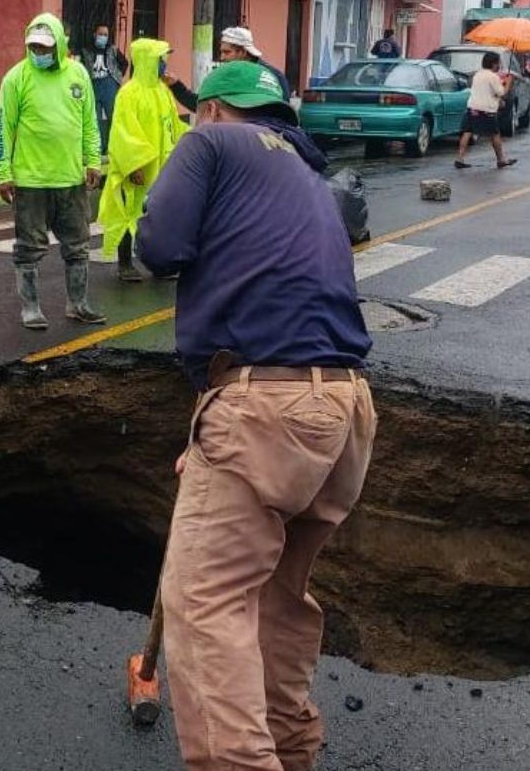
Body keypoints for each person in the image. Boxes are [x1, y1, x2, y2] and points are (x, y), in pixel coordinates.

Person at [135, 59, 376, 771]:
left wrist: (236, 423)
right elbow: (280, 293)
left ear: (210, 109)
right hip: (344, 407)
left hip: (262, 404)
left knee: (204, 605)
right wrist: (219, 432)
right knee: (276, 598)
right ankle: (292, 749)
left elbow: (159, 247)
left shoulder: (210, 143)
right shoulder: (308, 177)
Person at [0, 13, 105, 329]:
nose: (39, 54)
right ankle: (30, 308)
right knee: (29, 248)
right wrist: (4, 172)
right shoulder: (16, 78)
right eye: (34, 48)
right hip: (31, 181)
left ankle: (78, 304)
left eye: (45, 48)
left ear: (58, 44)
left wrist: (92, 160)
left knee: (78, 245)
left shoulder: (79, 74)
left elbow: (89, 123)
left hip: (70, 179)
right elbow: (4, 127)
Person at [101, 38, 186, 282]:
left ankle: (158, 263)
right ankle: (125, 263)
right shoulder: (129, 94)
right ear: (147, 60)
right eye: (160, 59)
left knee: (158, 216)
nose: (163, 64)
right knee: (130, 213)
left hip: (162, 166)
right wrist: (133, 165)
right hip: (138, 169)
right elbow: (123, 133)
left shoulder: (162, 91)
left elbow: (173, 126)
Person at [455, 51, 516, 170]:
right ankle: (501, 159)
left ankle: (459, 158)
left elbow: (486, 92)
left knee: (467, 132)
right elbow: (502, 93)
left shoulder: (478, 74)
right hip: (486, 111)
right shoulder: (493, 77)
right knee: (495, 134)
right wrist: (508, 83)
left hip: (472, 108)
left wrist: (497, 100)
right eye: (498, 63)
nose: (499, 65)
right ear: (493, 63)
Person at [79, 23, 127, 156]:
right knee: (95, 119)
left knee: (114, 117)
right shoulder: (86, 50)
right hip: (93, 85)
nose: (103, 37)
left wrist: (117, 77)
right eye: (101, 34)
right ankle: (98, 149)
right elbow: (81, 66)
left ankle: (114, 147)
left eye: (105, 35)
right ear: (95, 34)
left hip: (109, 85)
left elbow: (125, 63)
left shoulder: (113, 49)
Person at [219, 26, 293, 100]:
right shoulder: (227, 75)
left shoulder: (274, 76)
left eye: (227, 52)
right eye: (221, 52)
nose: (222, 58)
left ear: (243, 52)